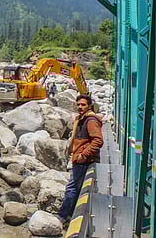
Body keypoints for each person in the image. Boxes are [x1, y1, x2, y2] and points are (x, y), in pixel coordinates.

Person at [58, 95, 104, 225]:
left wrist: (84, 155)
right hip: (80, 159)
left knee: (72, 188)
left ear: (89, 106)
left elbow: (98, 140)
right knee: (77, 189)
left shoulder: (90, 120)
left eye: (83, 105)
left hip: (84, 161)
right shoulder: (82, 119)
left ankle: (63, 215)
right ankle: (71, 214)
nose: (80, 107)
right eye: (78, 104)